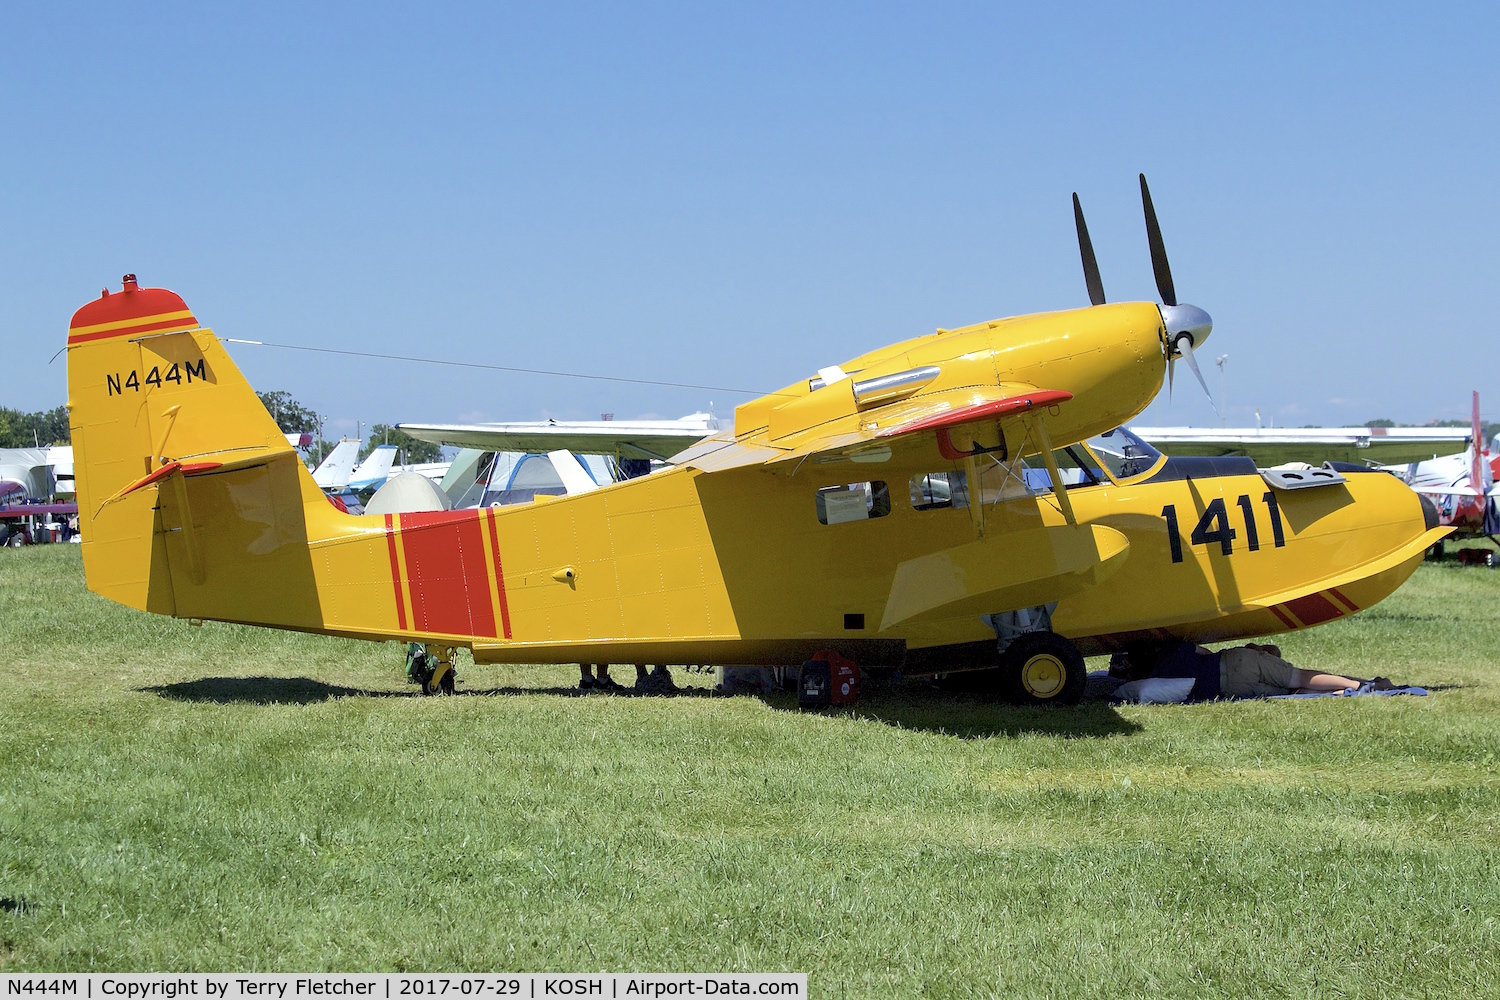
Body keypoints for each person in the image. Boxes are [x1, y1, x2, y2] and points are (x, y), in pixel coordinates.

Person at [1112, 640, 1387, 701]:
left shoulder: (1151, 683)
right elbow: (1206, 653)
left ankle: (1341, 691)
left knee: (1292, 689)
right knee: (1297, 676)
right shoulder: (1173, 649)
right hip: (1233, 662)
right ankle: (1357, 686)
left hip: (1231, 690)